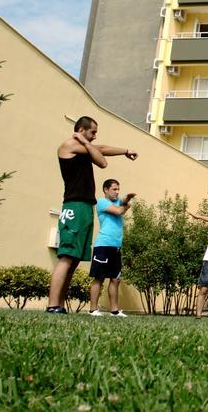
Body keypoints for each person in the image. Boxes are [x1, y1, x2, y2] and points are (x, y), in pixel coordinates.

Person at [48, 116, 138, 314]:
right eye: (92, 132)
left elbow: (102, 149)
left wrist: (125, 151)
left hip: (85, 206)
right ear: (81, 130)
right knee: (66, 257)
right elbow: (102, 161)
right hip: (75, 205)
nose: (95, 137)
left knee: (75, 259)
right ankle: (52, 305)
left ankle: (60, 305)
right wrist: (86, 142)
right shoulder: (69, 145)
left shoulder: (85, 146)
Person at [88, 179, 136, 317]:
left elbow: (124, 201)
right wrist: (126, 205)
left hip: (116, 247)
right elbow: (119, 211)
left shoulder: (116, 201)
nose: (116, 192)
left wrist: (128, 198)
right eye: (114, 189)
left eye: (118, 189)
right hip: (103, 245)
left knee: (115, 279)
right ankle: (93, 309)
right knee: (99, 278)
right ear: (105, 190)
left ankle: (114, 310)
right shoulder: (102, 202)